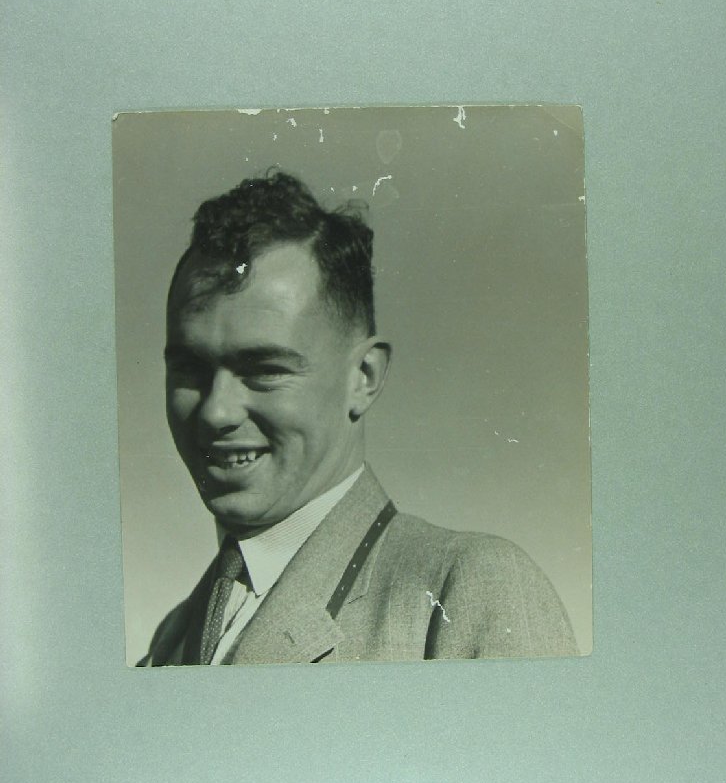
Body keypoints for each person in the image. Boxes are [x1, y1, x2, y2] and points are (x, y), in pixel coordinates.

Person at [139, 169, 578, 665]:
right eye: (190, 370)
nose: (216, 411)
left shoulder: (470, 591)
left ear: (364, 377)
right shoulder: (172, 637)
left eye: (263, 369)